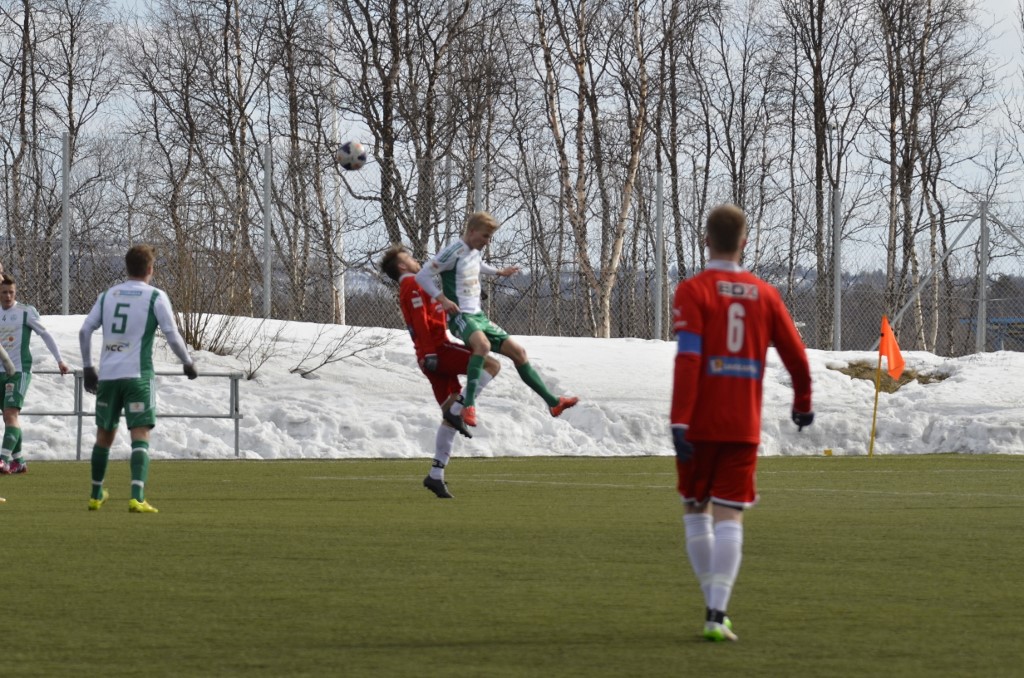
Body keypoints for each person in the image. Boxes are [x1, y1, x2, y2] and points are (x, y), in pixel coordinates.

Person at [670, 204, 813, 642]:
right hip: (742, 424)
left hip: (698, 423)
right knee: (730, 515)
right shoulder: (765, 294)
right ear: (744, 243)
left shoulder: (693, 290)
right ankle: (716, 614)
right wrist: (803, 402)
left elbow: (689, 358)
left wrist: (679, 420)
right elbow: (796, 356)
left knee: (696, 510)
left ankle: (714, 608)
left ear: (706, 241)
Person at [414, 211, 577, 428]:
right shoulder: (452, 252)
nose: (487, 242)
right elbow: (422, 276)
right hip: (460, 316)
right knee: (482, 346)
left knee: (519, 352)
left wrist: (499, 272)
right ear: (472, 231)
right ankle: (468, 404)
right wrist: (442, 299)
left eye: (490, 237)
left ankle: (554, 403)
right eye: (485, 236)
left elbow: (477, 265)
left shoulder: (473, 251)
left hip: (478, 317)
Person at [78, 244, 198, 513]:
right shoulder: (155, 296)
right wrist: (187, 362)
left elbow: (85, 330)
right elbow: (171, 334)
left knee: (104, 435)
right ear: (150, 269)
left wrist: (88, 367)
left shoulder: (107, 296)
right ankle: (137, 497)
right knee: (140, 434)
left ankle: (96, 495)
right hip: (138, 376)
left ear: (127, 267)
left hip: (109, 377)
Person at [381, 245, 501, 499]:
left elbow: (439, 305)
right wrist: (431, 353)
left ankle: (436, 474)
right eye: (409, 257)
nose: (415, 260)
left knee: (450, 416)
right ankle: (461, 408)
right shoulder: (412, 282)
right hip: (437, 350)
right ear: (402, 266)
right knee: (491, 365)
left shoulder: (416, 285)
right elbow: (421, 320)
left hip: (428, 356)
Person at [0, 275, 71, 474]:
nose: (8, 296)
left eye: (11, 292)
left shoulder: (25, 312)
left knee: (10, 414)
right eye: (4, 292)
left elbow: (45, 335)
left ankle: (3, 460)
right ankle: (19, 461)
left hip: (18, 371)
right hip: (0, 371)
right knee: (9, 418)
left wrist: (60, 360)